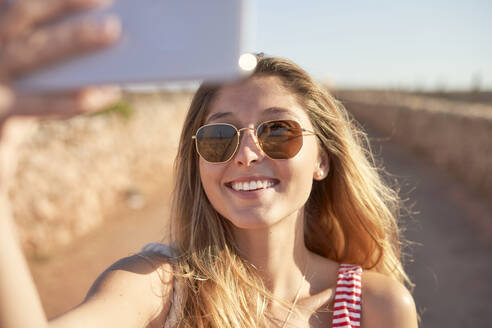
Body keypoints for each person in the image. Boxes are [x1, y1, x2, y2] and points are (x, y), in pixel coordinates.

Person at [0, 1, 419, 327]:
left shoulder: (376, 307)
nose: (248, 153)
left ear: (322, 160)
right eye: (220, 138)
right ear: (198, 161)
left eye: (278, 132)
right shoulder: (162, 288)